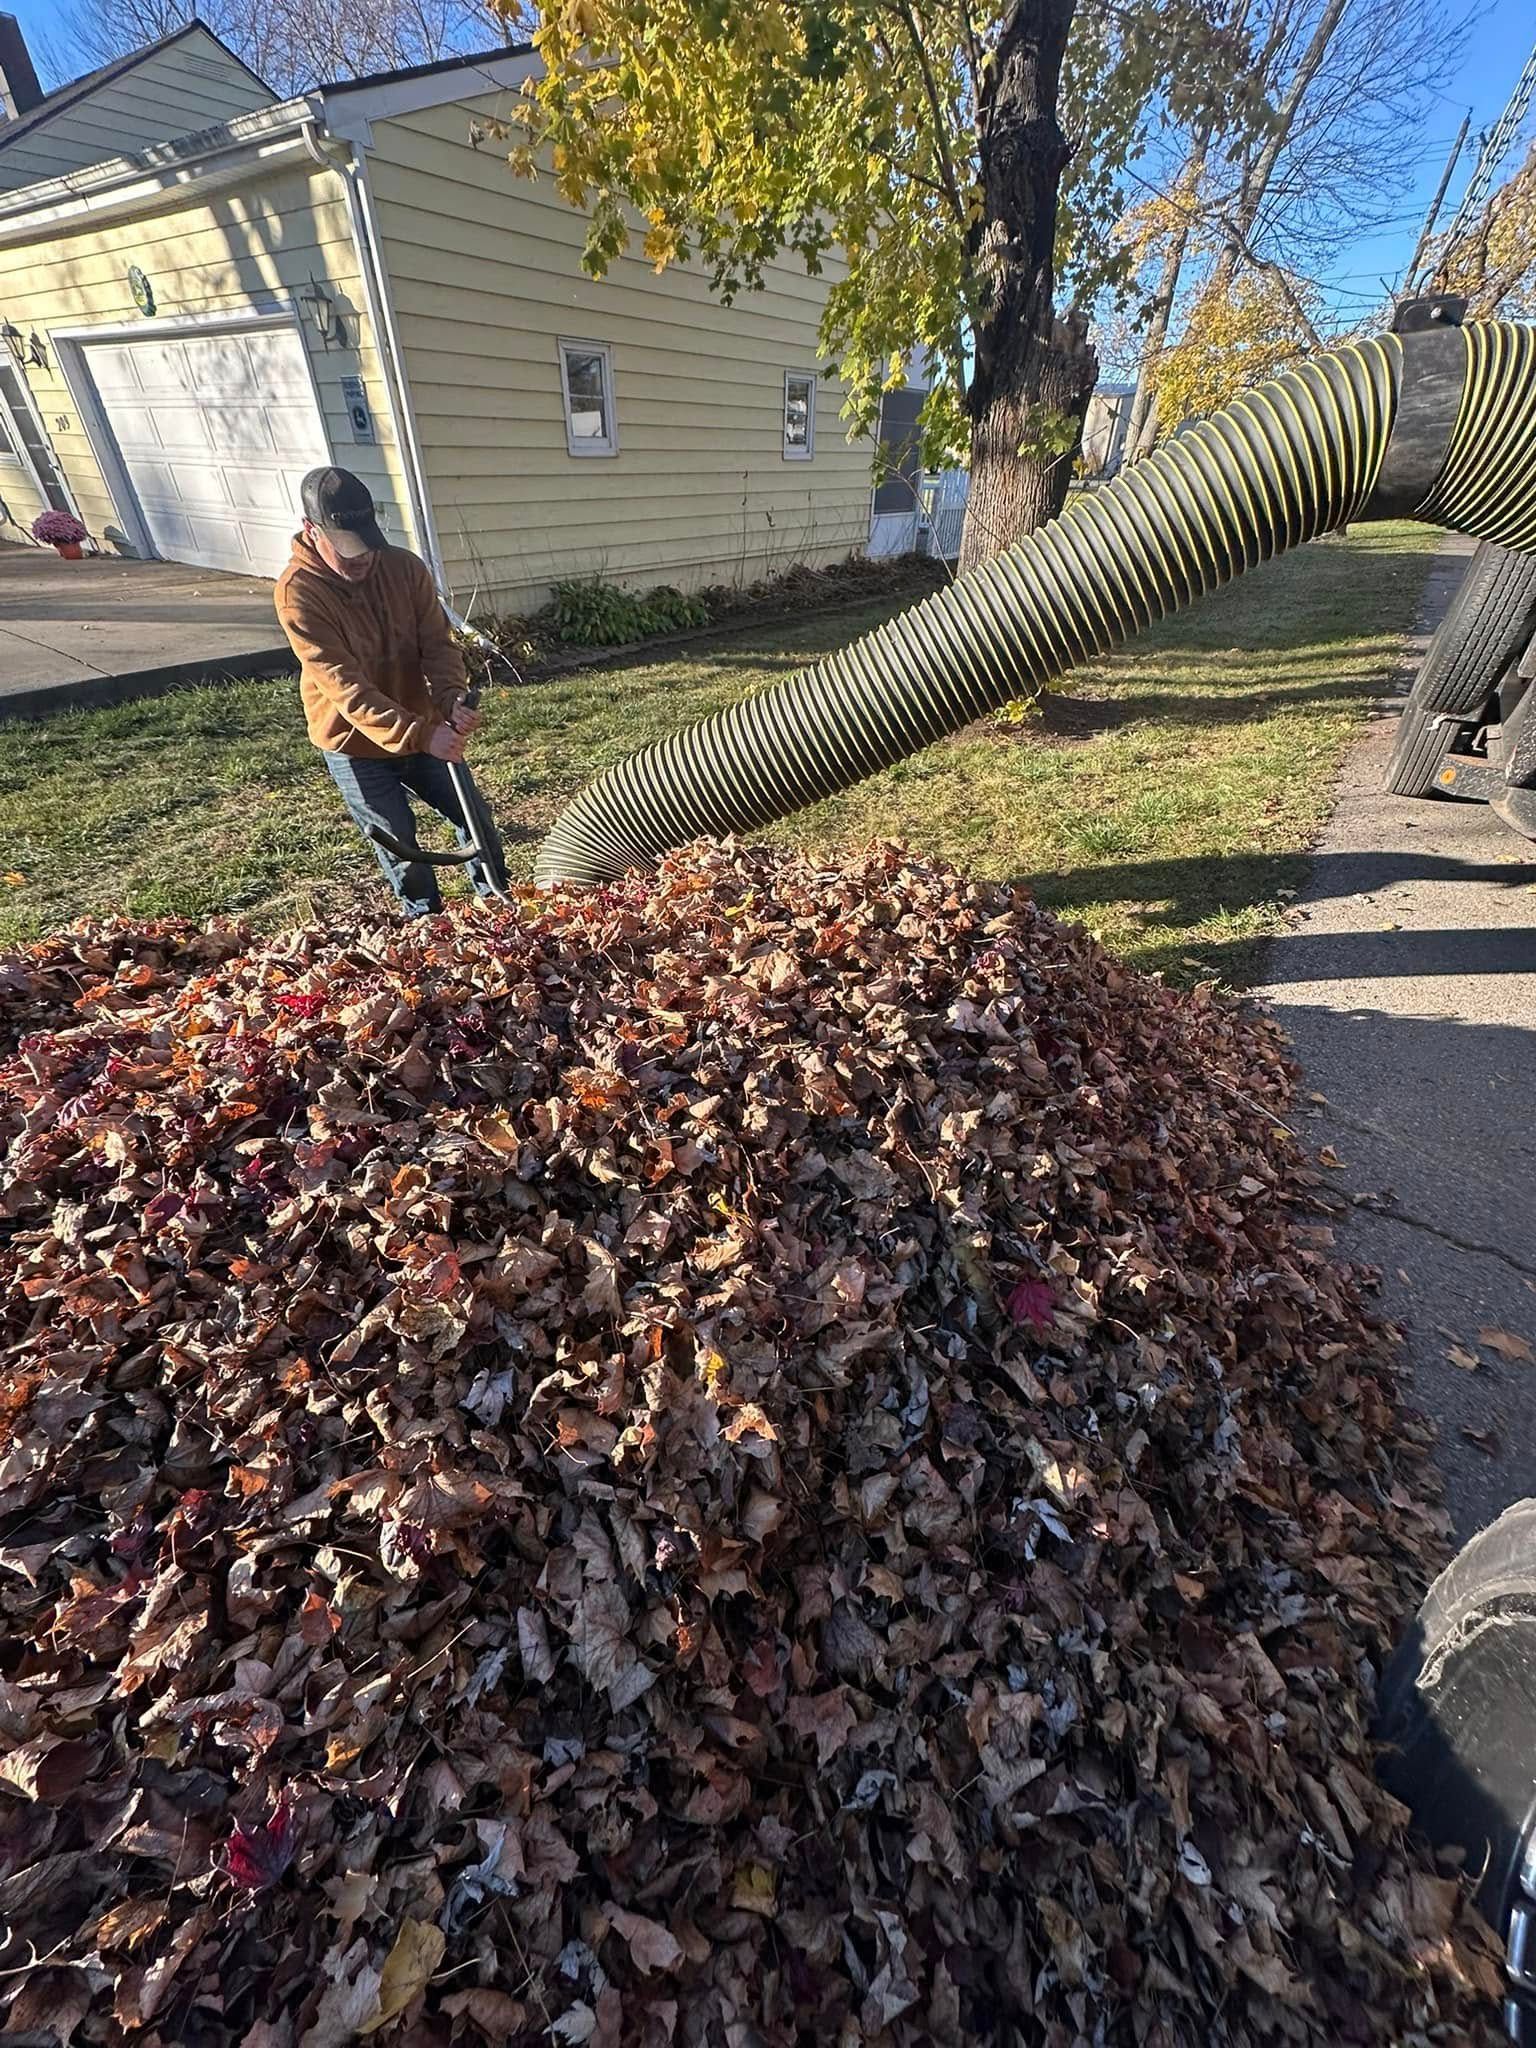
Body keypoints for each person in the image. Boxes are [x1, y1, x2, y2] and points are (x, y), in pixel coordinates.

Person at [274, 466, 500, 917]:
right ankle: (426, 926)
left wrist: (450, 698)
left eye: (366, 545)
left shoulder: (403, 568)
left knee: (475, 819)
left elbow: (436, 644)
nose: (361, 559)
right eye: (346, 549)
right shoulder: (298, 594)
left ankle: (496, 905)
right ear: (311, 530)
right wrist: (422, 735)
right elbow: (346, 688)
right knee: (399, 841)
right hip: (352, 741)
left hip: (422, 722)